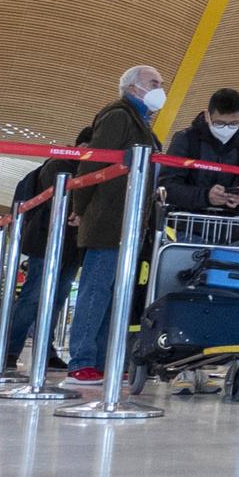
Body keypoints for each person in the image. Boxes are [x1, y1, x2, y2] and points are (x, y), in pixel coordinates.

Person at [63, 65, 165, 389]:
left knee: (116, 293)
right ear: (134, 88)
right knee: (96, 290)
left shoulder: (142, 123)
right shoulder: (119, 115)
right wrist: (80, 207)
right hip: (110, 218)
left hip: (129, 222)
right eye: (154, 83)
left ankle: (107, 359)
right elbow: (93, 162)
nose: (160, 88)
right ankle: (82, 361)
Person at [4, 128, 90, 371]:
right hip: (45, 242)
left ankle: (46, 349)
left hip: (73, 244)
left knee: (57, 300)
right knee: (33, 297)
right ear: (81, 145)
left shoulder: (91, 168)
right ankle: (9, 350)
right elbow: (57, 197)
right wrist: (77, 210)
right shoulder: (59, 162)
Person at [158, 88, 239, 225]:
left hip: (232, 229)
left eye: (234, 124)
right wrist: (206, 196)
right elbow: (168, 187)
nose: (226, 129)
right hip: (187, 228)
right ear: (207, 116)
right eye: (219, 123)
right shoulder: (186, 139)